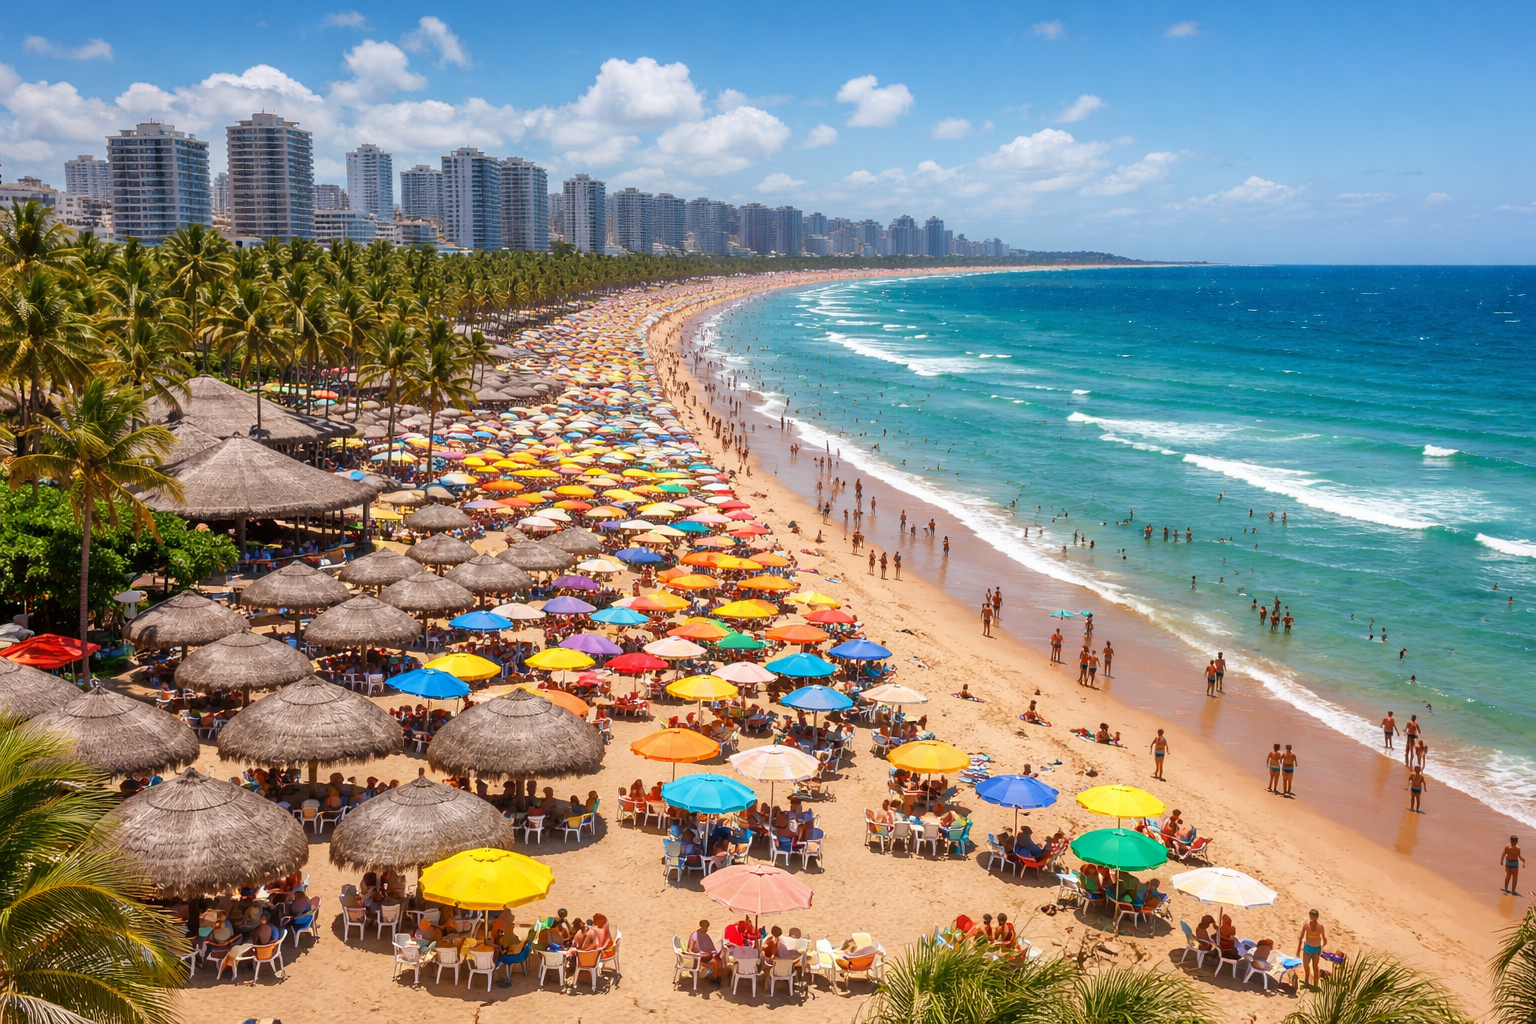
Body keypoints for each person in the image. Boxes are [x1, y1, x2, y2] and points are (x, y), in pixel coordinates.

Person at [1297, 910, 1327, 986]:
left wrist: (1322, 947)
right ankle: (1306, 982)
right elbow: (1301, 937)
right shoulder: (1306, 925)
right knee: (1306, 965)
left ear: (1317, 917)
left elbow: (1324, 938)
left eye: (1314, 917)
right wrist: (1298, 950)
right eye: (1311, 916)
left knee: (1315, 966)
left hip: (1316, 948)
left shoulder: (1321, 926)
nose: (1312, 918)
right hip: (1307, 947)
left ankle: (1315, 985)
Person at [688, 919, 723, 983]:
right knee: (715, 963)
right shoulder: (695, 935)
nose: (706, 929)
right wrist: (697, 955)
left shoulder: (704, 935)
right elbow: (690, 949)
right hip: (699, 956)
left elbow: (709, 947)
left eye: (707, 927)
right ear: (701, 926)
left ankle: (715, 977)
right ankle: (715, 979)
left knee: (718, 960)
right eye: (705, 927)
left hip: (705, 955)